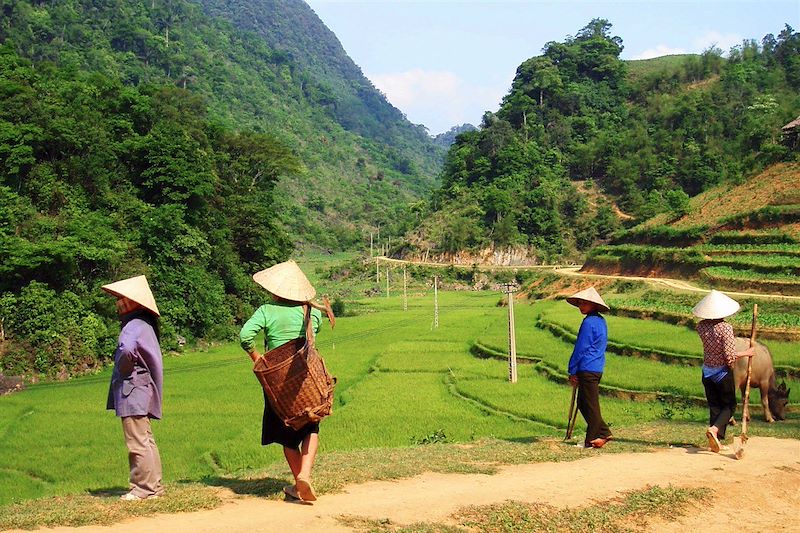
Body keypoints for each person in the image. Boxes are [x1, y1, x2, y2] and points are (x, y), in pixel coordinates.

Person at [239, 260, 334, 503]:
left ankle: (298, 483)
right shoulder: (309, 311)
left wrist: (259, 358)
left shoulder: (266, 310)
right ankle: (305, 474)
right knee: (311, 425)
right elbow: (316, 331)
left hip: (278, 383)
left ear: (276, 290)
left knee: (286, 432)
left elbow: (245, 336)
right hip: (306, 379)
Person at [103, 275, 165, 501]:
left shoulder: (132, 325)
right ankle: (154, 487)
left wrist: (122, 368)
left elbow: (127, 350)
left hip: (132, 389)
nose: (117, 303)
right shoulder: (145, 324)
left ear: (133, 302)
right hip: (142, 388)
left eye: (121, 298)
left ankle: (142, 489)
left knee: (136, 440)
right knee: (145, 438)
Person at [693, 290, 755, 453]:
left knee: (715, 406)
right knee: (729, 406)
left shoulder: (701, 326)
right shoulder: (725, 328)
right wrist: (746, 353)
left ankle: (716, 442)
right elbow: (728, 356)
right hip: (721, 373)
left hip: (707, 372)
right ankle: (714, 430)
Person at [566, 287, 613, 449]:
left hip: (587, 367)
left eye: (584, 303)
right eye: (580, 303)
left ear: (593, 305)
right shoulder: (601, 321)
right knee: (584, 403)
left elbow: (581, 348)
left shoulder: (588, 323)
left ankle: (592, 439)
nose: (581, 306)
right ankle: (604, 432)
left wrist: (572, 370)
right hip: (596, 367)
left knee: (590, 405)